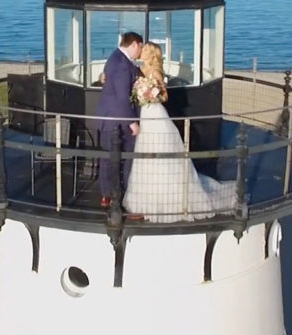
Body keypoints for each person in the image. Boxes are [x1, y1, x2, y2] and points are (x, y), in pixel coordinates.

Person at [123, 42, 237, 222]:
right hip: (145, 114)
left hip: (155, 112)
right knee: (145, 154)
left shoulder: (156, 72)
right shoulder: (141, 69)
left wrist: (151, 94)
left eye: (144, 50)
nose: (141, 53)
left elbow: (164, 95)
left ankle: (168, 200)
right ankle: (145, 198)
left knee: (161, 151)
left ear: (150, 54)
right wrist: (140, 94)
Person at [94, 31, 143, 208]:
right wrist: (132, 122)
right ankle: (115, 194)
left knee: (109, 157)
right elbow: (123, 97)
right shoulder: (122, 64)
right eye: (140, 47)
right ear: (135, 44)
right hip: (118, 120)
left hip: (111, 117)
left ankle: (109, 194)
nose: (141, 52)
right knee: (119, 157)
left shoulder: (116, 58)